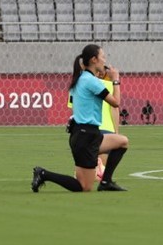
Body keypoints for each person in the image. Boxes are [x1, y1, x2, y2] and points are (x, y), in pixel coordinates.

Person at [33, 44, 129, 192]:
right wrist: (115, 80)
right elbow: (116, 103)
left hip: (87, 134)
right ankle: (44, 174)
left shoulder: (81, 78)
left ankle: (106, 182)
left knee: (122, 142)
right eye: (103, 57)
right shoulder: (91, 81)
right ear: (94, 60)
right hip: (85, 137)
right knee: (84, 187)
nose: (105, 60)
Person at [66, 64, 118, 180]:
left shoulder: (75, 86)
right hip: (105, 129)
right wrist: (116, 132)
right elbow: (114, 107)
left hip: (84, 131)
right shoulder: (106, 85)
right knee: (100, 170)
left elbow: (74, 110)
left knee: (87, 171)